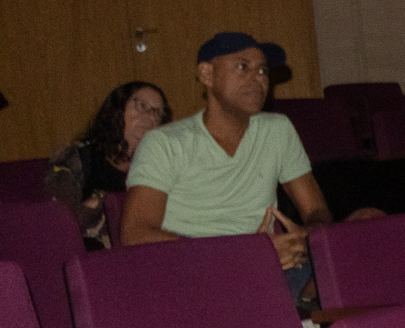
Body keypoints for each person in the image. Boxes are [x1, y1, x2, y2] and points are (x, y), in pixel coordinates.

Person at [122, 34, 343, 301]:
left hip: (270, 266)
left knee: (366, 230)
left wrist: (305, 238)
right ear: (207, 74)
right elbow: (136, 233)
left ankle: (302, 307)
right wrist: (245, 253)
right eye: (242, 66)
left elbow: (317, 210)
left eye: (263, 70)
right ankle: (295, 307)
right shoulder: (165, 143)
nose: (257, 78)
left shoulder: (277, 130)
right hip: (196, 270)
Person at [47, 81, 170, 248]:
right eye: (141, 106)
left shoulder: (162, 168)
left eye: (157, 113)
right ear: (116, 111)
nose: (150, 117)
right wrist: (103, 201)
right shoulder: (76, 160)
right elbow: (60, 226)